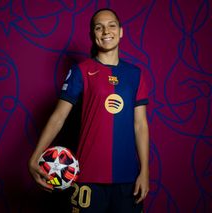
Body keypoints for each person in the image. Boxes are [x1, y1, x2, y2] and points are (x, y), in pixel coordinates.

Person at [28, 8, 149, 213]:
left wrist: (145, 170)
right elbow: (59, 117)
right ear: (93, 35)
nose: (105, 31)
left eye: (111, 25)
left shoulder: (135, 74)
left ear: (121, 31)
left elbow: (140, 125)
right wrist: (35, 156)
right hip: (87, 178)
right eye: (98, 27)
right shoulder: (81, 71)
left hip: (128, 178)